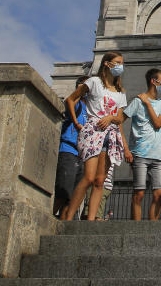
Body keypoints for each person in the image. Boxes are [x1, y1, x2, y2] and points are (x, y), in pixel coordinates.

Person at [60, 51, 133, 221]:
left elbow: (120, 118)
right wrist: (77, 123)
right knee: (89, 177)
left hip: (111, 135)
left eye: (122, 63)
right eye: (118, 62)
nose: (121, 66)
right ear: (107, 63)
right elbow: (71, 99)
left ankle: (90, 221)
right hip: (93, 132)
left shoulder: (120, 92)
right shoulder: (94, 82)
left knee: (100, 181)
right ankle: (69, 218)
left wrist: (111, 118)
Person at [123, 68, 161, 220]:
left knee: (159, 194)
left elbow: (157, 124)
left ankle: (151, 228)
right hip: (139, 153)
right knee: (139, 193)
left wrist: (147, 104)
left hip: (157, 155)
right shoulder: (137, 101)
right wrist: (126, 148)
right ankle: (135, 229)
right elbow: (119, 121)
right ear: (153, 81)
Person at [53, 75, 88, 218]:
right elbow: (69, 103)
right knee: (63, 193)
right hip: (68, 150)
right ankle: (48, 216)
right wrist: (79, 92)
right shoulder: (75, 104)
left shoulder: (87, 107)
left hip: (81, 154)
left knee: (72, 198)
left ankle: (63, 224)